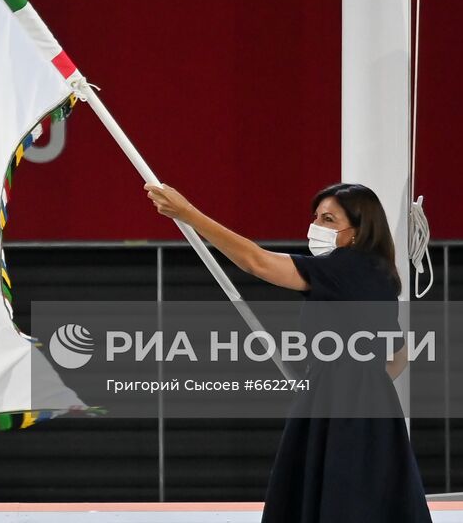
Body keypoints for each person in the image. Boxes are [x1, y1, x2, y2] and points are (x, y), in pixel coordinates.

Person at [146, 181, 431, 523]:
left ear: (356, 232)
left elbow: (257, 262)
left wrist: (188, 214)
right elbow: (398, 354)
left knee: (343, 500)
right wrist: (359, 382)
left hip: (342, 410)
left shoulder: (348, 268)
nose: (316, 227)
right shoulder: (377, 274)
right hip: (355, 403)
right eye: (316, 217)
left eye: (328, 219)